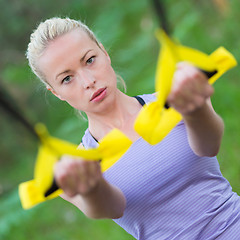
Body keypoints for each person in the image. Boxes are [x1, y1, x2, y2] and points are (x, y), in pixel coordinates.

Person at [26, 17, 240, 239]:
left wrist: (196, 109)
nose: (88, 81)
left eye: (89, 60)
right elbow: (112, 208)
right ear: (56, 92)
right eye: (67, 78)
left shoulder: (176, 96)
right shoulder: (75, 169)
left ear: (104, 53)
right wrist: (91, 187)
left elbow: (210, 145)